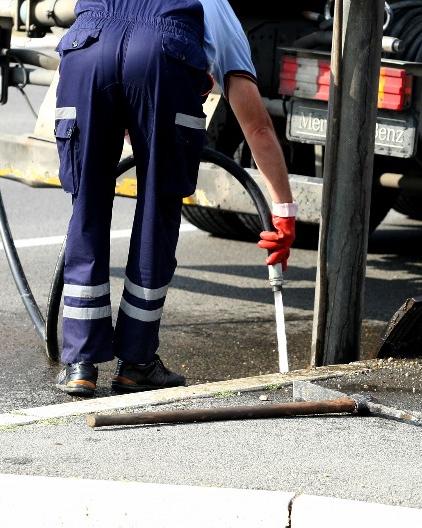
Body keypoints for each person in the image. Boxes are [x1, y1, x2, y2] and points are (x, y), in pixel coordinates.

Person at [53, 0, 296, 396]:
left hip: (86, 57)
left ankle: (81, 364)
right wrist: (283, 210)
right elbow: (258, 125)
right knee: (156, 214)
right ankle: (136, 363)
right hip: (163, 61)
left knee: (87, 209)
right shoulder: (213, 6)